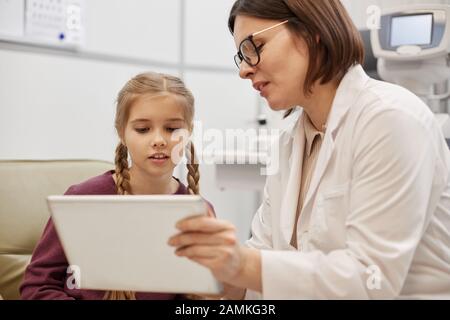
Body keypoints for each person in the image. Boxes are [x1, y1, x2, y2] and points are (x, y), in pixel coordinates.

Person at [169, 0, 450, 299]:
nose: (244, 70)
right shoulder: (289, 138)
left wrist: (243, 265)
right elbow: (263, 259)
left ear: (312, 31)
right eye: (241, 56)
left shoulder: (391, 118)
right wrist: (213, 278)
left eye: (255, 45)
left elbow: (369, 280)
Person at [20, 72, 214, 300]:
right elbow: (37, 286)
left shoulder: (200, 213)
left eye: (172, 129)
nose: (159, 140)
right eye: (143, 129)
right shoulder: (83, 199)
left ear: (188, 132)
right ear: (122, 132)